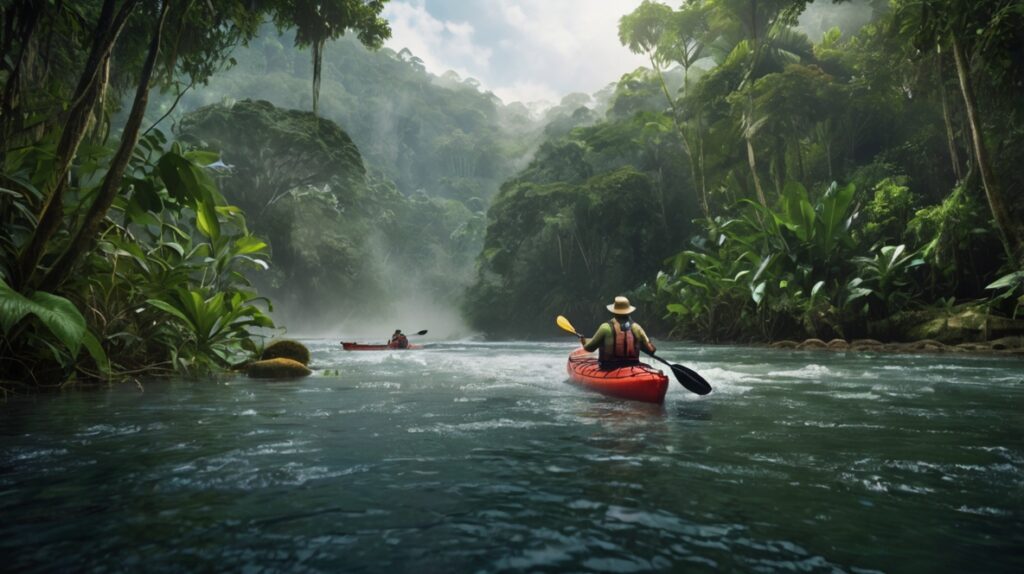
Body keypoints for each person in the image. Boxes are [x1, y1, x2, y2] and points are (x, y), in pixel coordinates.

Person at [580, 296, 656, 368]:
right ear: (629, 312)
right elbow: (651, 350)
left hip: (609, 367)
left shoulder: (605, 327)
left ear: (614, 312)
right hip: (632, 366)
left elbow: (589, 348)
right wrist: (639, 345)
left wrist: (584, 342)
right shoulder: (637, 328)